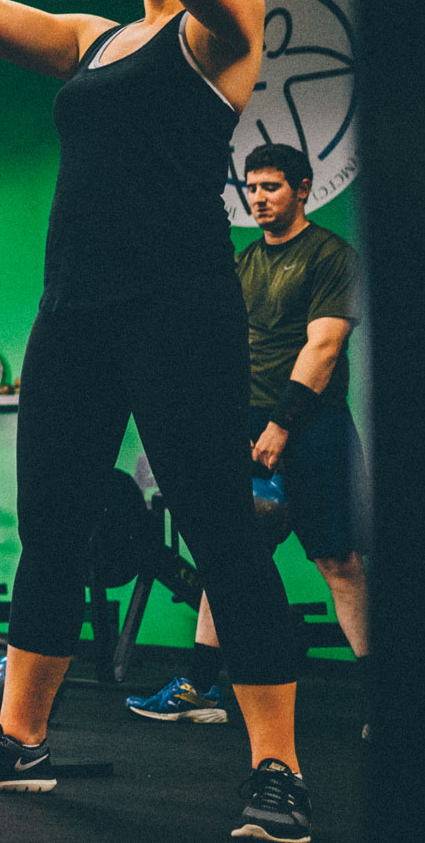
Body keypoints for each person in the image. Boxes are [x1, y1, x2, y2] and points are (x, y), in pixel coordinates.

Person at [0, 0, 307, 839]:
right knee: (50, 527)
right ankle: (17, 739)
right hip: (72, 310)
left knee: (219, 530)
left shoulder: (226, 28)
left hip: (179, 304)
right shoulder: (95, 38)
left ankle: (275, 766)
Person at [128, 143, 366, 727]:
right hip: (242, 428)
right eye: (251, 189)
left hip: (313, 428)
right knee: (228, 555)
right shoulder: (242, 262)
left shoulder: (332, 257)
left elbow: (324, 347)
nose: (258, 199)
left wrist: (281, 424)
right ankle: (202, 687)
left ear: (303, 188)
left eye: (272, 187)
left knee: (338, 562)